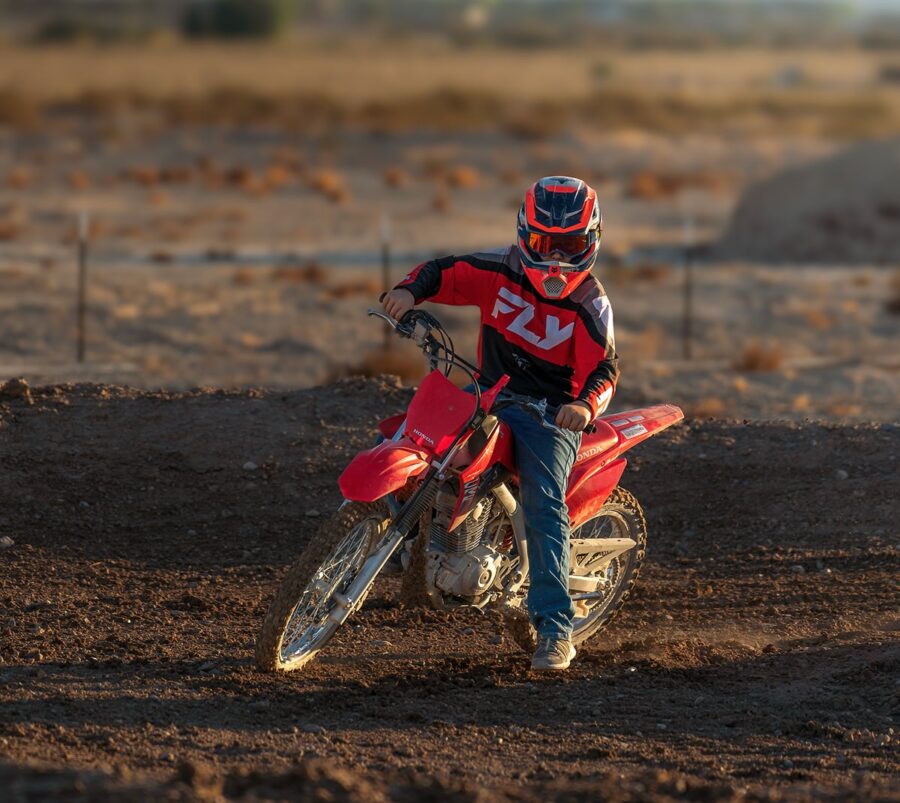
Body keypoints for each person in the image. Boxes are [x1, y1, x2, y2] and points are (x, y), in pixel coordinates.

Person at [382, 176, 618, 671]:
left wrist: (585, 408)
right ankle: (402, 542)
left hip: (551, 415)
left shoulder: (590, 303)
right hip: (488, 393)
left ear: (591, 242)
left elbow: (605, 370)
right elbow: (442, 271)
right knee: (414, 432)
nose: (554, 259)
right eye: (542, 243)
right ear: (523, 235)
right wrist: (408, 290)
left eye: (569, 245)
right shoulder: (498, 269)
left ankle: (555, 630)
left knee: (543, 503)